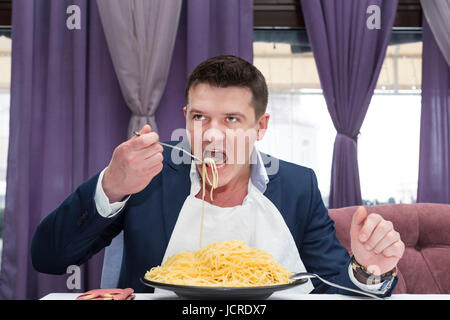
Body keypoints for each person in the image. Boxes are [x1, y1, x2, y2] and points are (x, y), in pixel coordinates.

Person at [31, 55, 404, 296]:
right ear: (186, 118)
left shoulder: (297, 185)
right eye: (200, 117)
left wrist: (367, 270)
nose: (211, 134)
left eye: (231, 119)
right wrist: (110, 187)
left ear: (260, 127)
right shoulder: (148, 176)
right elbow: (49, 257)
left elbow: (333, 287)